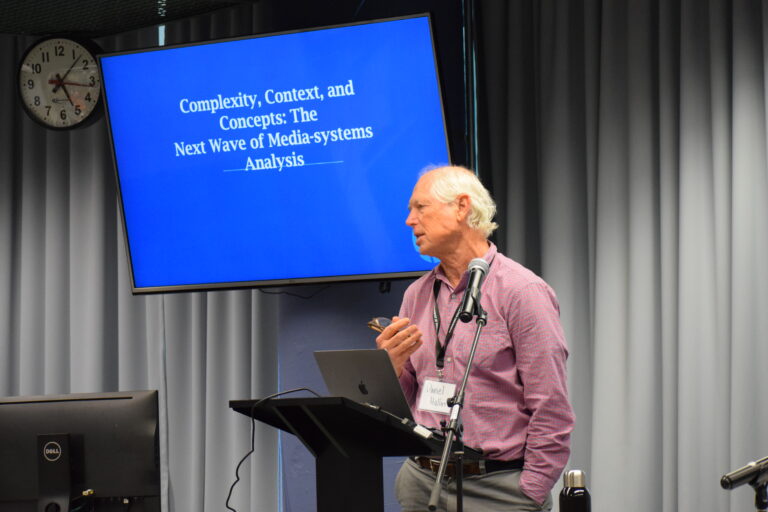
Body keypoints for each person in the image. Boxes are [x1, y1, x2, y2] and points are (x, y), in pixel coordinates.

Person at [376, 165, 574, 511]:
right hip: (422, 482)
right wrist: (390, 367)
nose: (410, 221)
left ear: (462, 207)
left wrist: (532, 489)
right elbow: (412, 398)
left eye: (419, 208)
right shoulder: (416, 295)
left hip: (498, 488)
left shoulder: (522, 291)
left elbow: (551, 406)